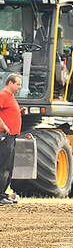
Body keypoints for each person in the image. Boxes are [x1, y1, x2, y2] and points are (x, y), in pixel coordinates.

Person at [0, 74, 27, 205]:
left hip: (13, 136)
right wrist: (4, 125)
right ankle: (0, 196)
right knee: (4, 166)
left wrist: (20, 112)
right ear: (10, 83)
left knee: (9, 167)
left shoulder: (11, 97)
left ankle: (3, 194)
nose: (20, 87)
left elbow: (7, 113)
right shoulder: (3, 95)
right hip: (5, 136)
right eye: (18, 84)